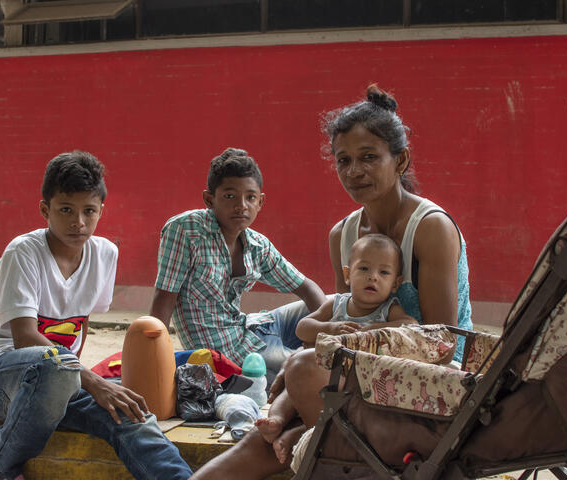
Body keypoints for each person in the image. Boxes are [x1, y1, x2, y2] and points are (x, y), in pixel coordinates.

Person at [190, 84, 474, 479]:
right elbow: (339, 320)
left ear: (401, 160)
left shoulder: (430, 229)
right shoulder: (343, 235)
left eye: (369, 157)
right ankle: (305, 428)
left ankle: (311, 433)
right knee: (228, 465)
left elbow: (440, 344)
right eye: (344, 160)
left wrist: (313, 370)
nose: (354, 171)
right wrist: (304, 376)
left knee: (303, 371)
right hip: (354, 384)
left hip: (430, 388)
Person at [0, 151, 192, 480]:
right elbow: (24, 338)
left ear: (101, 210)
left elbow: (79, 323)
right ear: (45, 210)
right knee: (54, 367)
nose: (79, 222)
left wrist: (92, 388)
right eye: (66, 211)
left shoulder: (104, 254)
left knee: (131, 414)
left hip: (64, 380)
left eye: (89, 211)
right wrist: (94, 382)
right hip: (3, 381)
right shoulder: (23, 252)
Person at [150, 147, 326, 384]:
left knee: (334, 303)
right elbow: (164, 297)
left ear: (260, 202)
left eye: (250, 197)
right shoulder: (186, 230)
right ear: (209, 200)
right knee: (310, 370)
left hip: (254, 328)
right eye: (230, 196)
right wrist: (154, 360)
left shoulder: (257, 245)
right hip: (235, 355)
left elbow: (307, 288)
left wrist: (331, 334)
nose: (241, 205)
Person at [256, 233, 417, 463]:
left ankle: (298, 433)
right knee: (292, 382)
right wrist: (330, 328)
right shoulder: (337, 304)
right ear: (347, 274)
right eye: (364, 269)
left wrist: (372, 328)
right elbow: (303, 327)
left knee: (327, 415)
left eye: (384, 272)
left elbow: (411, 325)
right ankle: (276, 420)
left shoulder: (388, 309)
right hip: (318, 372)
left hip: (354, 382)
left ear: (396, 283)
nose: (373, 277)